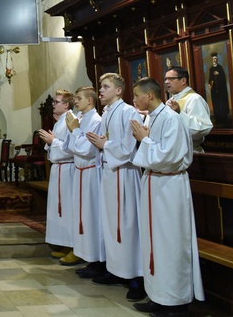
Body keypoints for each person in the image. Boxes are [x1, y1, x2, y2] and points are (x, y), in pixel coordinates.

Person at [130, 77, 205, 315]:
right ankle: (158, 296)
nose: (134, 100)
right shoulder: (152, 117)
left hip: (170, 187)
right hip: (154, 184)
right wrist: (145, 139)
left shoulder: (172, 119)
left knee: (170, 243)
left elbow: (168, 157)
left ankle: (175, 302)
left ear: (149, 96)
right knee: (154, 243)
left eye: (136, 96)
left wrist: (144, 140)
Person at [86, 74, 145, 301]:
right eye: (100, 87)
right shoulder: (108, 113)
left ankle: (136, 277)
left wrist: (104, 144)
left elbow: (128, 148)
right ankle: (117, 270)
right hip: (109, 173)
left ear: (119, 91)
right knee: (111, 224)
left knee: (127, 226)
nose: (101, 91)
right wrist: (102, 146)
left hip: (125, 175)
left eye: (106, 87)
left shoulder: (128, 112)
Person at [64, 86, 105, 275]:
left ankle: (97, 261)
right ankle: (87, 257)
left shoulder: (96, 121)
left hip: (91, 174)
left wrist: (75, 132)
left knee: (91, 218)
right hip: (80, 171)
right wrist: (72, 130)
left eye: (78, 98)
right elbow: (71, 147)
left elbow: (87, 150)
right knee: (82, 217)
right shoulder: (80, 119)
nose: (75, 101)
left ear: (90, 100)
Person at [38, 90, 77, 264]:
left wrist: (52, 141)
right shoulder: (61, 120)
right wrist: (51, 141)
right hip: (58, 169)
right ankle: (65, 243)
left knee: (68, 208)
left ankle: (74, 246)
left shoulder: (71, 120)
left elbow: (71, 148)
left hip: (68, 169)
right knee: (59, 208)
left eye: (57, 101)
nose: (53, 104)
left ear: (67, 105)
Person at [165, 66, 212, 153]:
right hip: (172, 152)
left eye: (171, 79)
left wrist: (180, 113)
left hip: (190, 153)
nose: (166, 82)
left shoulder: (194, 99)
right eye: (166, 79)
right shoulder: (170, 101)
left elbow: (203, 127)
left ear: (183, 80)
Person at [207, 52, 230, 126]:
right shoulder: (211, 69)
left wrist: (218, 74)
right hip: (214, 90)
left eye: (215, 59)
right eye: (213, 59)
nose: (214, 60)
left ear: (217, 59)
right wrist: (209, 85)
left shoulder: (220, 68)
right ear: (212, 60)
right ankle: (218, 118)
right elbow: (210, 79)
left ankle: (224, 117)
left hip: (221, 90)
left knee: (222, 103)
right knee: (216, 103)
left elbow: (223, 78)